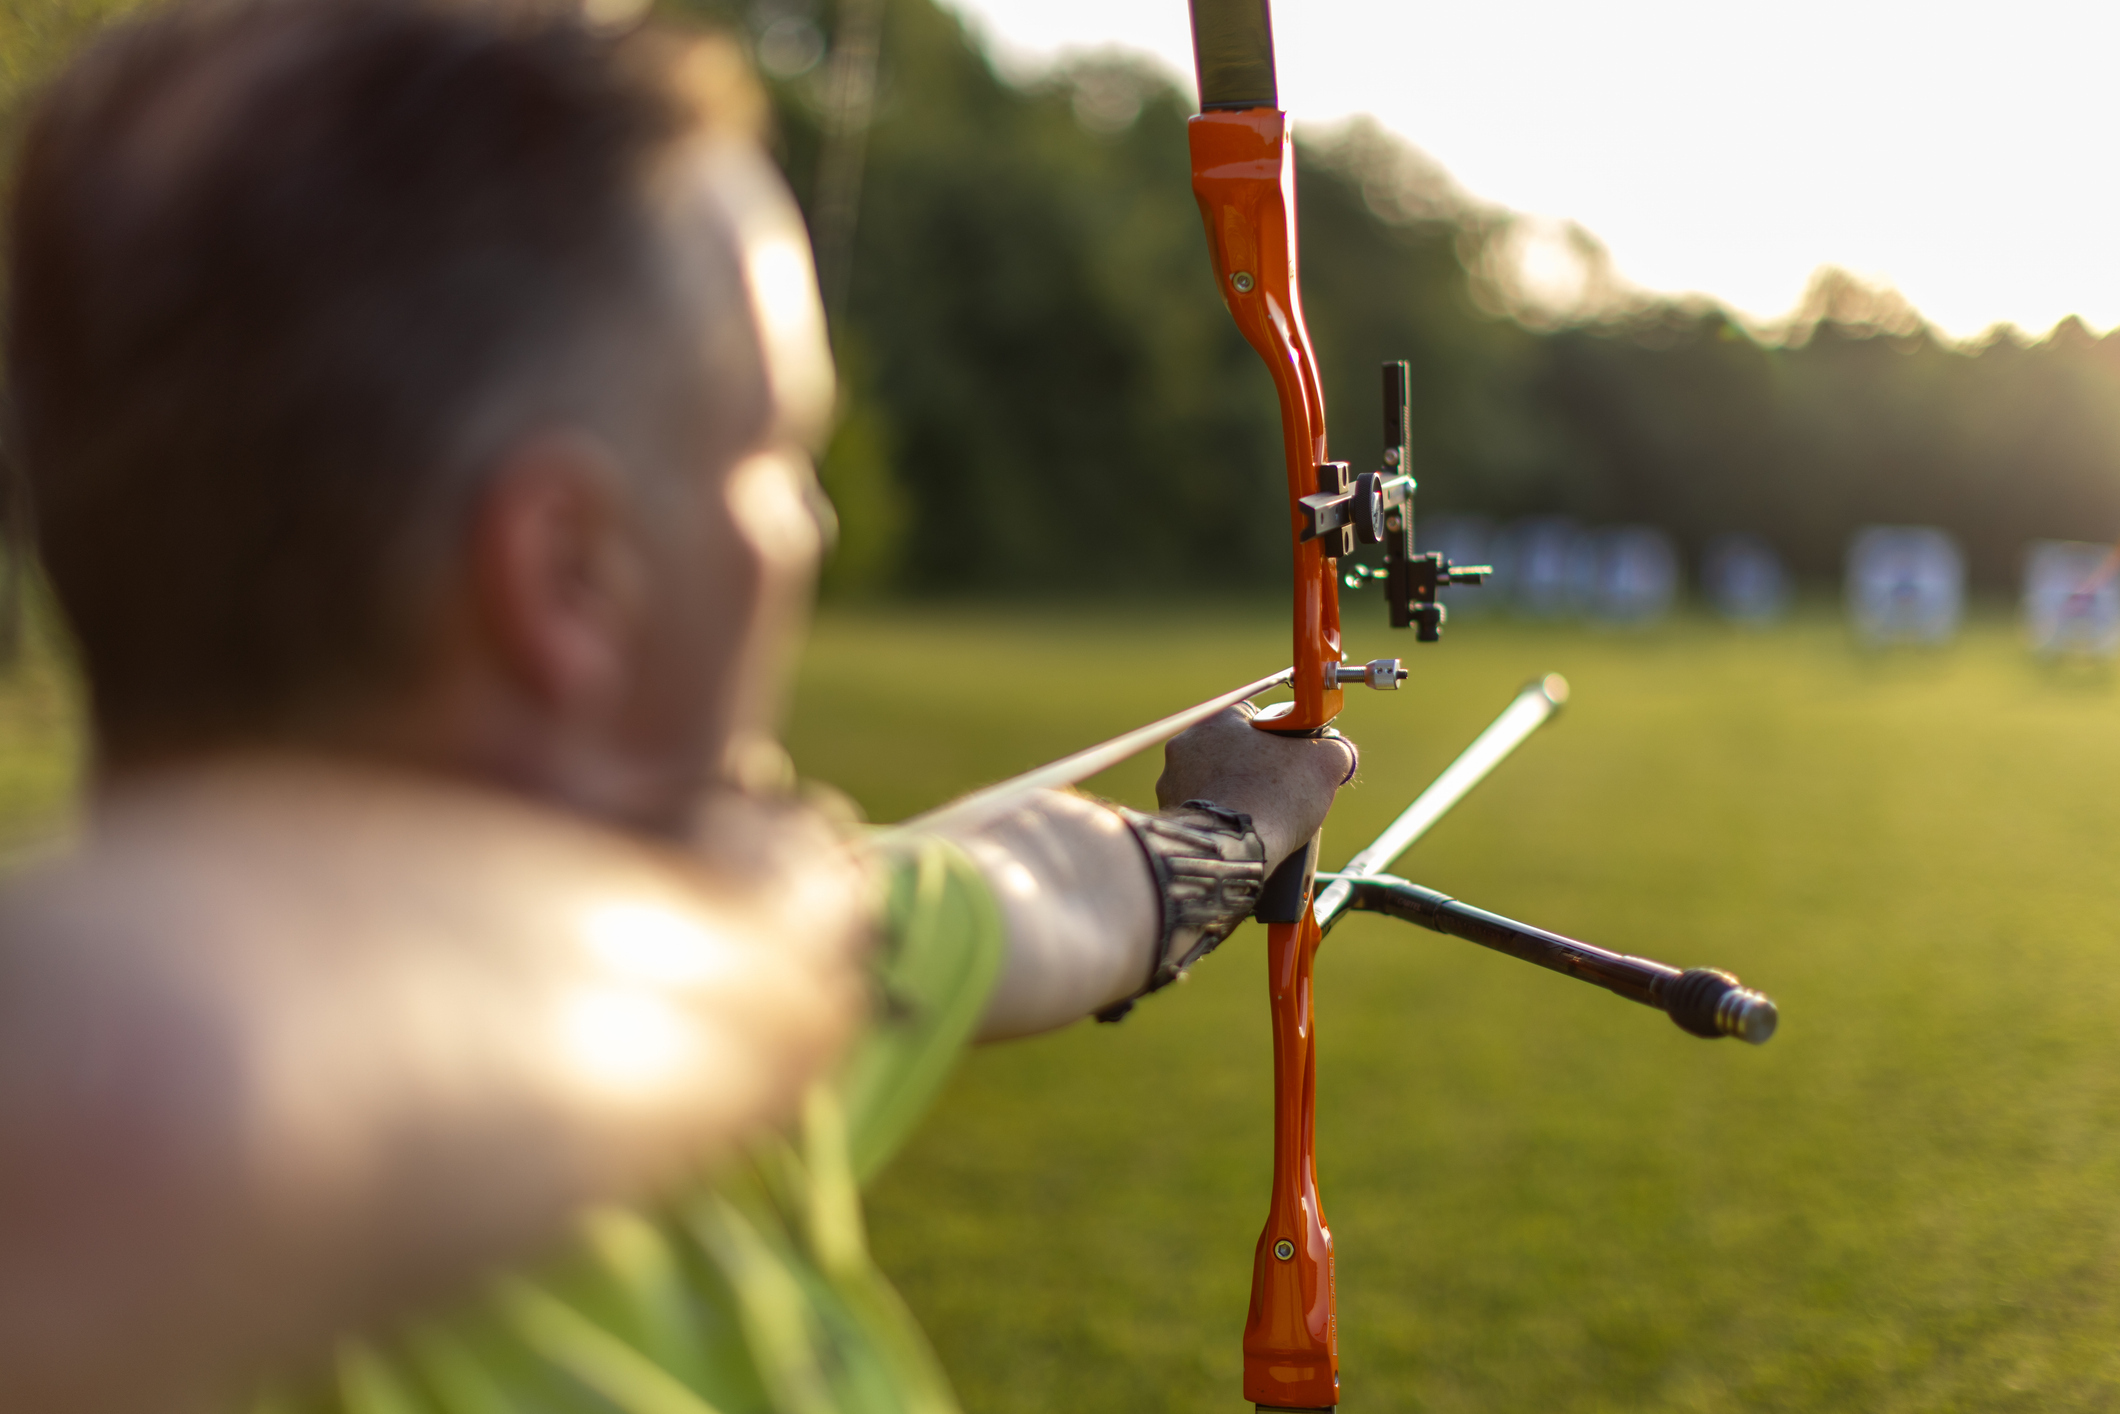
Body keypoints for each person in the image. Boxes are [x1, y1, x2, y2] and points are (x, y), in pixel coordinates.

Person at [0, 2, 1357, 1412]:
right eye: (777, 454)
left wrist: (1233, 826)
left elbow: (1047, 887)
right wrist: (765, 962)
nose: (814, 523)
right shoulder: (185, 1247)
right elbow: (107, 1087)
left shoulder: (720, 916)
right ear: (572, 573)